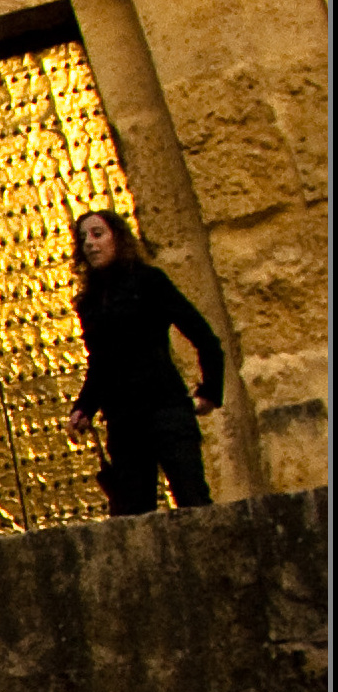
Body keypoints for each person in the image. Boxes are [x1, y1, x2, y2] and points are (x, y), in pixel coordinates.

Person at [67, 208, 224, 517]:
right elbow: (100, 363)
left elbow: (202, 334)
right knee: (132, 514)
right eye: (83, 238)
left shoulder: (149, 282)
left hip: (166, 409)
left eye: (98, 235)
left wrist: (210, 390)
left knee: (193, 500)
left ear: (117, 238)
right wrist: (83, 408)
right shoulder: (90, 302)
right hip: (124, 421)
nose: (90, 244)